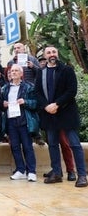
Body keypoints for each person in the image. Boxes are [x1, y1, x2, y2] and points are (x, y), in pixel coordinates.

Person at [35, 45, 87, 188]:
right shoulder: (41, 72)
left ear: (57, 54)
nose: (51, 54)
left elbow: (72, 91)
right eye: (48, 52)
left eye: (54, 51)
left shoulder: (67, 70)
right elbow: (37, 92)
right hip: (49, 115)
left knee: (75, 144)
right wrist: (46, 106)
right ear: (45, 56)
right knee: (52, 144)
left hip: (66, 113)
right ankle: (57, 173)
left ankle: (82, 175)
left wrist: (56, 104)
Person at [2, 64, 38, 182]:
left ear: (21, 73)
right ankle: (20, 170)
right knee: (15, 147)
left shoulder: (29, 87)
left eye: (16, 70)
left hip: (24, 120)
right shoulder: (5, 88)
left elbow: (36, 103)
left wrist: (25, 101)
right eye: (12, 71)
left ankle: (31, 171)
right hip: (11, 120)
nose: (14, 72)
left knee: (27, 147)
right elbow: (1, 104)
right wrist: (4, 104)